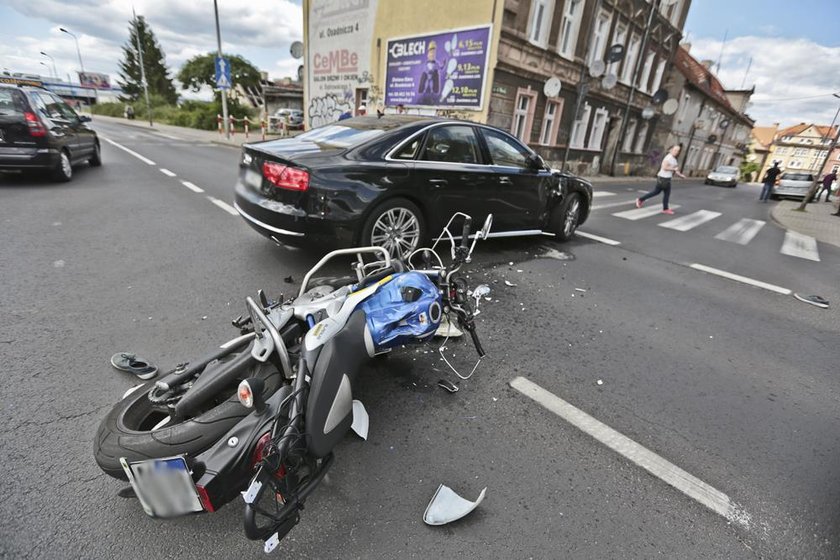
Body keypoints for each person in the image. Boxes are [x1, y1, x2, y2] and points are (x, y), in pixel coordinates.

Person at [636, 144, 685, 214]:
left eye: (678, 151)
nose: (676, 152)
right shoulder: (668, 158)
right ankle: (664, 208)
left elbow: (676, 170)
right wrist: (673, 169)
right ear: (670, 150)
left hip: (667, 179)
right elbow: (664, 167)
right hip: (663, 178)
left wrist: (680, 175)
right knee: (662, 193)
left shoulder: (674, 159)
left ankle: (641, 200)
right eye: (675, 150)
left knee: (659, 192)